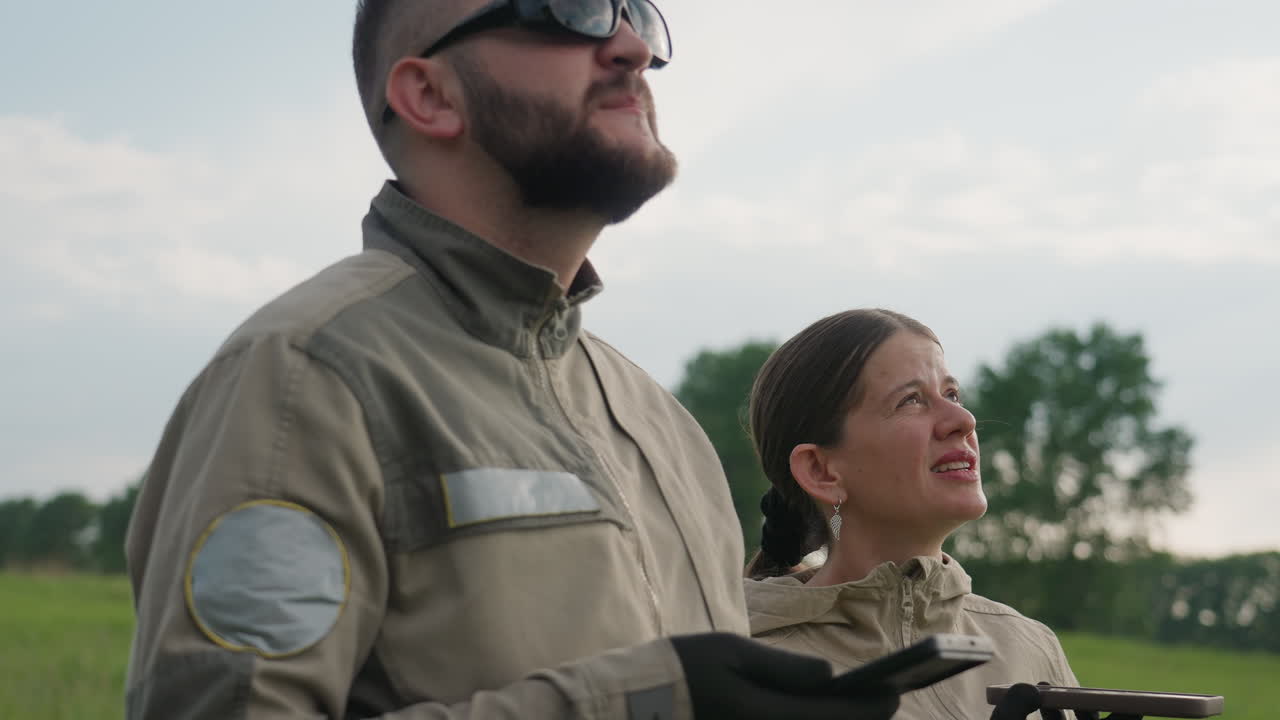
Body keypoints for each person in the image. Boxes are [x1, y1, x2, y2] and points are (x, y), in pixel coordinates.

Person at [123, 2, 901, 719]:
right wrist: (633, 705)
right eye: (569, 9)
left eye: (635, 13)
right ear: (430, 95)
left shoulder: (662, 424)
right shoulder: (303, 379)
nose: (631, 48)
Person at [742, 308, 1081, 720]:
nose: (963, 420)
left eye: (952, 394)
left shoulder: (1029, 649)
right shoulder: (743, 675)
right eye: (912, 400)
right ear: (821, 470)